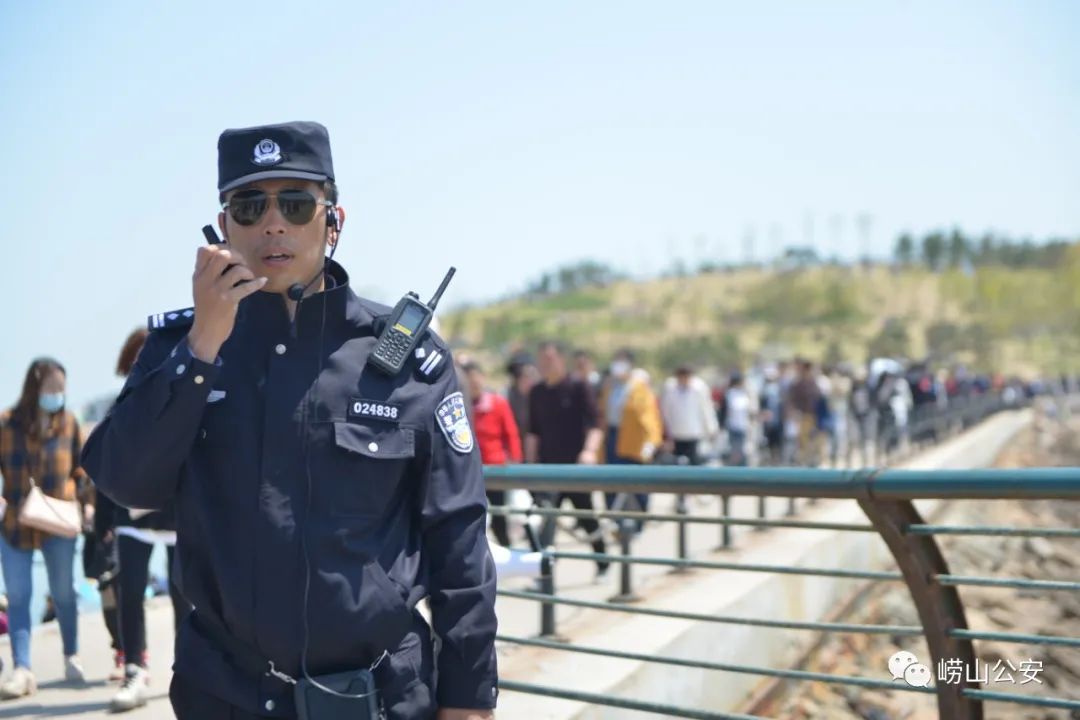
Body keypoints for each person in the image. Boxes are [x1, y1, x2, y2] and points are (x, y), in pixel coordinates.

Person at [82, 121, 497, 720]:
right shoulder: (181, 347)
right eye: (249, 206)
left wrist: (469, 697)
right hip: (227, 695)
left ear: (334, 220)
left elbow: (459, 538)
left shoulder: (408, 359)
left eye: (296, 203)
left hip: (381, 696)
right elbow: (126, 483)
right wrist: (203, 343)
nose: (272, 224)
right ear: (223, 228)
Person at [93, 327, 191, 712]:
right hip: (131, 519)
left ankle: (189, 670)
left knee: (186, 599)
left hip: (175, 520)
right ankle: (134, 666)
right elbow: (107, 467)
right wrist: (102, 525)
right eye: (135, 358)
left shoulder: (185, 395)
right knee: (129, 596)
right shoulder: (122, 403)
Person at [0, 357, 91, 699]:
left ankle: (71, 655)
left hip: (59, 521)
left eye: (62, 389)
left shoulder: (69, 423)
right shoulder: (6, 424)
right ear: (35, 386)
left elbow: (81, 470)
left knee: (64, 592)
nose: (58, 394)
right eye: (53, 388)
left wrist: (88, 503)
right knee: (19, 596)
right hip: (15, 524)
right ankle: (23, 668)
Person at [526, 341, 610, 580]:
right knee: (546, 525)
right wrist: (530, 465)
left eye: (550, 359)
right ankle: (543, 572)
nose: (545, 364)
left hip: (575, 468)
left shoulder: (578, 386)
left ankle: (603, 562)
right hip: (548, 469)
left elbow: (596, 424)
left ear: (561, 360)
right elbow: (533, 432)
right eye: (541, 360)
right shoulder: (537, 392)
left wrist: (590, 451)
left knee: (587, 518)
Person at [598, 350, 663, 523]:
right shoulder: (609, 387)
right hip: (612, 438)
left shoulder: (639, 388)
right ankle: (615, 521)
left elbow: (650, 418)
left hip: (633, 441)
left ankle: (639, 520)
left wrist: (650, 442)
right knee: (610, 482)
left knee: (636, 484)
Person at [462, 361, 522, 547]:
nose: (474, 385)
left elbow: (511, 434)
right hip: (470, 471)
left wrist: (515, 461)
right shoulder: (460, 405)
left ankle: (506, 551)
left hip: (496, 468)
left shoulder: (498, 403)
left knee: (499, 519)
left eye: (476, 380)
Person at [659, 365, 718, 466]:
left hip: (693, 433)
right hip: (676, 434)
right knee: (676, 463)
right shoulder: (671, 389)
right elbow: (665, 411)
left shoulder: (699, 389)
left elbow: (706, 409)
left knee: (694, 462)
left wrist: (711, 428)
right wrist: (666, 433)